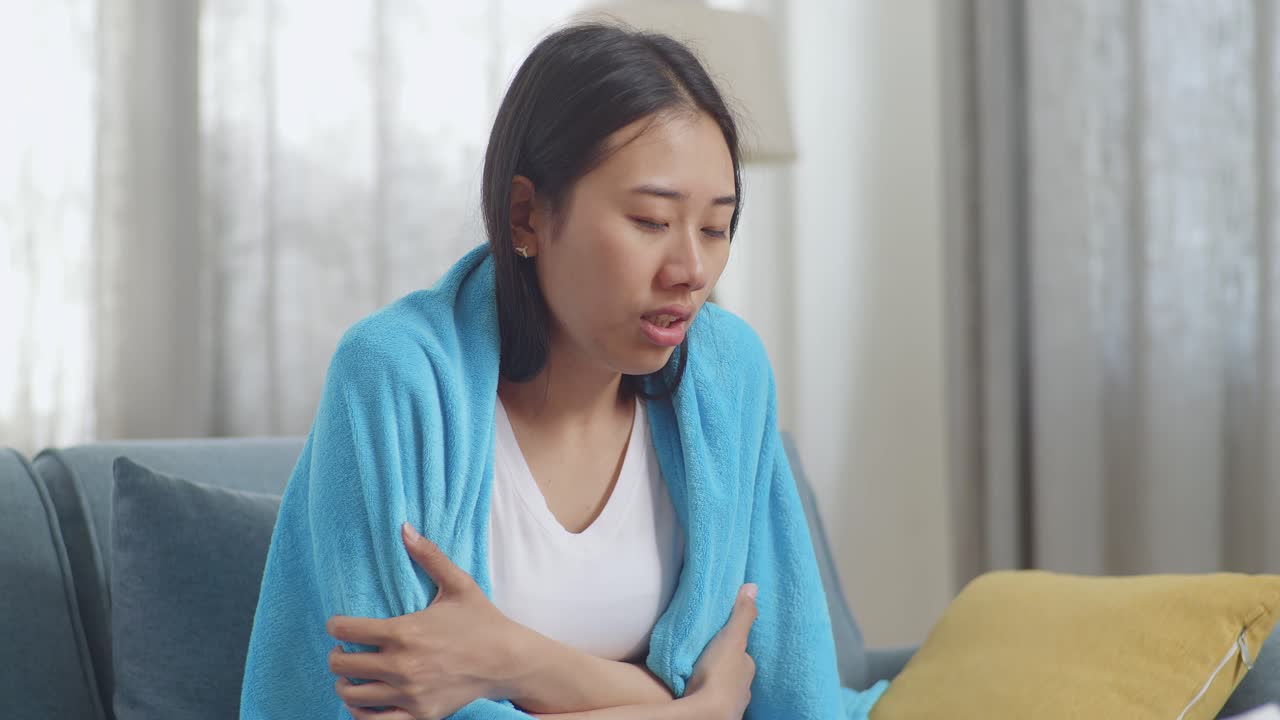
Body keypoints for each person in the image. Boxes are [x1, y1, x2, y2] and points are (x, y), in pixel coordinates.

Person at [239, 22, 888, 720]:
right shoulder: (397, 381)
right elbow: (391, 699)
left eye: (714, 228)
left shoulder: (727, 375)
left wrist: (507, 658)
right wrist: (690, 710)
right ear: (526, 215)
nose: (690, 272)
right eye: (649, 221)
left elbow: (790, 680)